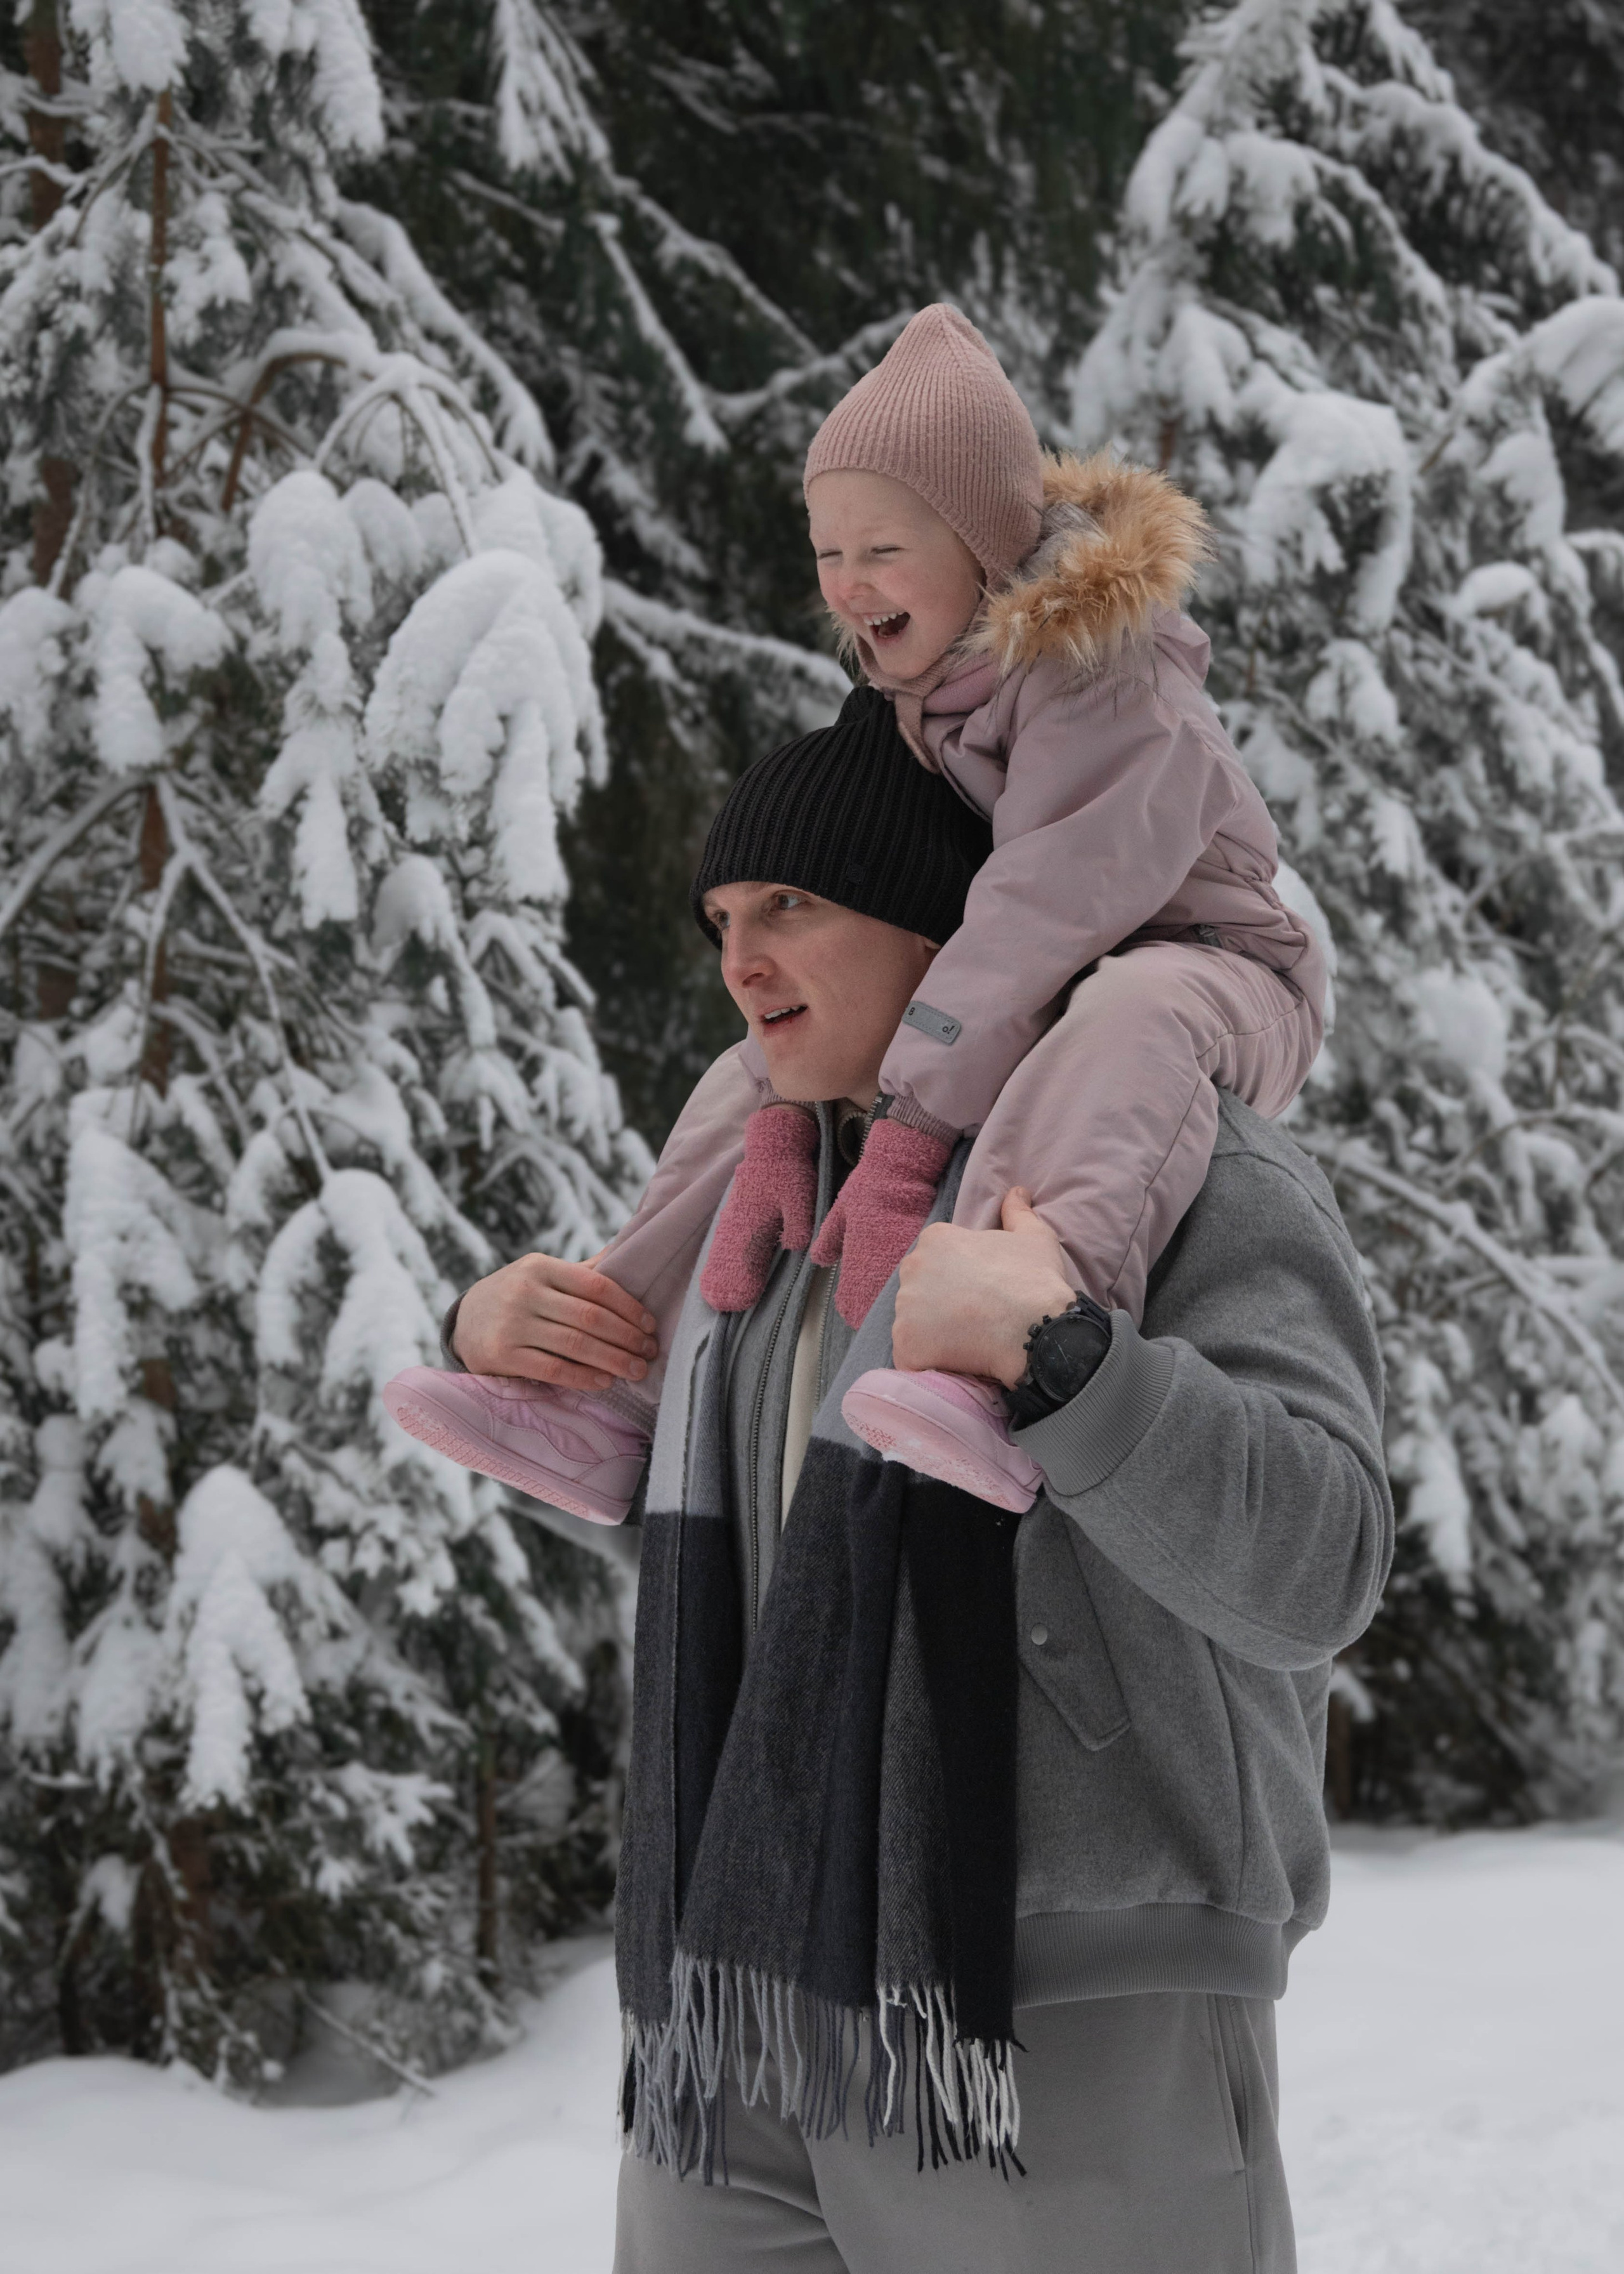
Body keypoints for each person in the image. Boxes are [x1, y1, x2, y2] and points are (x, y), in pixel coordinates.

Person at [427, 721, 1393, 2273]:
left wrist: (1066, 1360)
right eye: (719, 922)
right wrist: (520, 1360)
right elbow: (750, 1560)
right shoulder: (765, 1207)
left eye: (791, 906)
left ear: (942, 927)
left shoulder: (1174, 1174)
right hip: (741, 1988)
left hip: (1056, 1996)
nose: (741, 961)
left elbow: (1320, 1564)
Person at [381, 303, 1326, 1521]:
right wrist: (786, 1114)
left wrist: (912, 1124)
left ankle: (1005, 1359)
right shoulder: (918, 681)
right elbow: (852, 850)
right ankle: (610, 1388)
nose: (847, 584)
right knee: (756, 1072)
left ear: (984, 541)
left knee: (1127, 1009)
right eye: (828, 554)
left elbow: (1047, 909)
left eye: (880, 549)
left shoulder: (1105, 668)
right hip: (1052, 989)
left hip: (1210, 970)